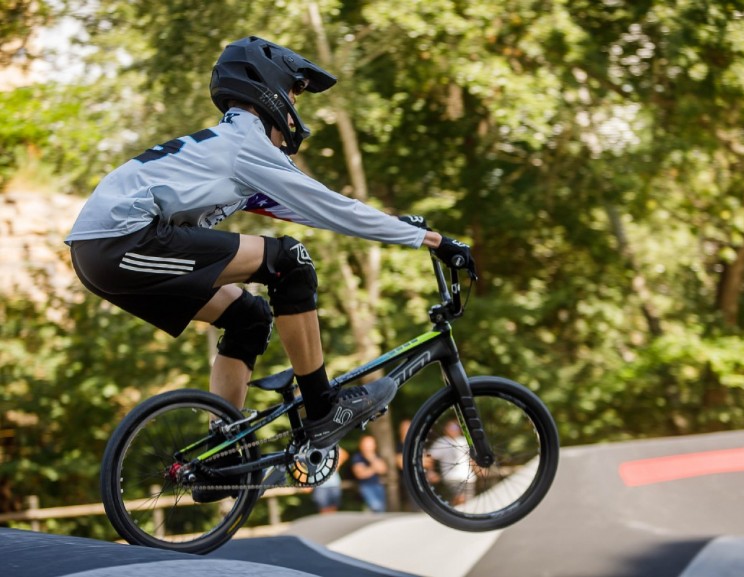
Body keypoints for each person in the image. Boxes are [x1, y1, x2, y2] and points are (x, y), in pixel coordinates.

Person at [65, 36, 476, 501]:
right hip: (119, 242)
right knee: (289, 261)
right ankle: (323, 408)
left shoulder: (232, 146)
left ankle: (220, 459)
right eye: (297, 92)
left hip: (111, 247)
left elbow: (308, 209)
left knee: (249, 316)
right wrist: (435, 241)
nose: (298, 106)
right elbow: (329, 206)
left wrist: (396, 227)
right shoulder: (246, 142)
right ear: (270, 88)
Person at [429, 419, 477, 505]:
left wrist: (477, 469)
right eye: (451, 427)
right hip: (451, 478)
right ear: (445, 429)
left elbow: (472, 458)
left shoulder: (465, 441)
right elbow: (430, 456)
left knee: (469, 503)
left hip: (469, 478)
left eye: (455, 427)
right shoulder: (441, 442)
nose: (454, 429)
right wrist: (431, 472)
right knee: (460, 499)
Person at [351, 435, 387, 513]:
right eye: (366, 444)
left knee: (381, 510)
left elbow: (383, 470)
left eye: (370, 444)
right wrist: (374, 468)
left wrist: (371, 460)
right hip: (365, 487)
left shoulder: (376, 456)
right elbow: (361, 474)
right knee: (376, 507)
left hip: (378, 485)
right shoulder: (357, 457)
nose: (368, 447)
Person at [311, 447, 348, 514]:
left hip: (334, 483)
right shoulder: (311, 447)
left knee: (334, 510)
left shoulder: (330, 444)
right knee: (323, 510)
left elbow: (345, 454)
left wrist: (338, 464)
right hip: (319, 485)